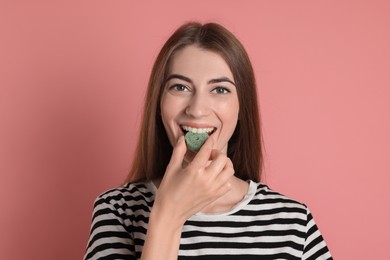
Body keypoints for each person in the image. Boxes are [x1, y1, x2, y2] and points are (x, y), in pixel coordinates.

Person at [84, 22, 332, 260]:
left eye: (220, 90)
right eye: (180, 87)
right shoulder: (116, 211)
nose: (197, 109)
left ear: (241, 108)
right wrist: (168, 214)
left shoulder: (294, 223)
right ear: (159, 103)